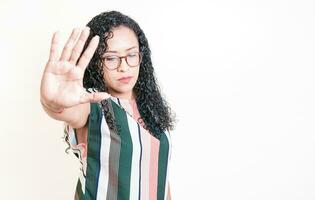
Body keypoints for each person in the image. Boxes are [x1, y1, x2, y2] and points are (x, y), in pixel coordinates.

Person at [40, 10, 176, 200]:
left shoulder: (150, 107)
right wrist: (53, 102)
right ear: (96, 63)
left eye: (131, 55)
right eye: (111, 58)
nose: (124, 66)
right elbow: (66, 109)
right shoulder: (92, 103)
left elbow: (159, 178)